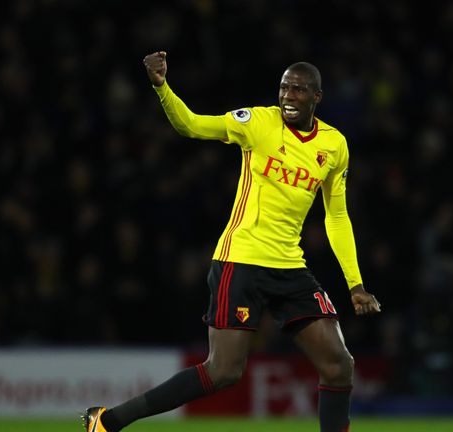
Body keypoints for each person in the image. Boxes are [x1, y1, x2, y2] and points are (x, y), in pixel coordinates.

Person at [84, 51, 381, 432]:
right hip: (240, 260)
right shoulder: (257, 122)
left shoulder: (334, 146)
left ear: (317, 98)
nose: (289, 96)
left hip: (290, 266)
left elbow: (336, 216)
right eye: (284, 88)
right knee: (224, 371)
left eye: (299, 90)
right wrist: (161, 86)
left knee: (340, 365)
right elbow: (190, 125)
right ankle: (110, 420)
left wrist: (354, 284)